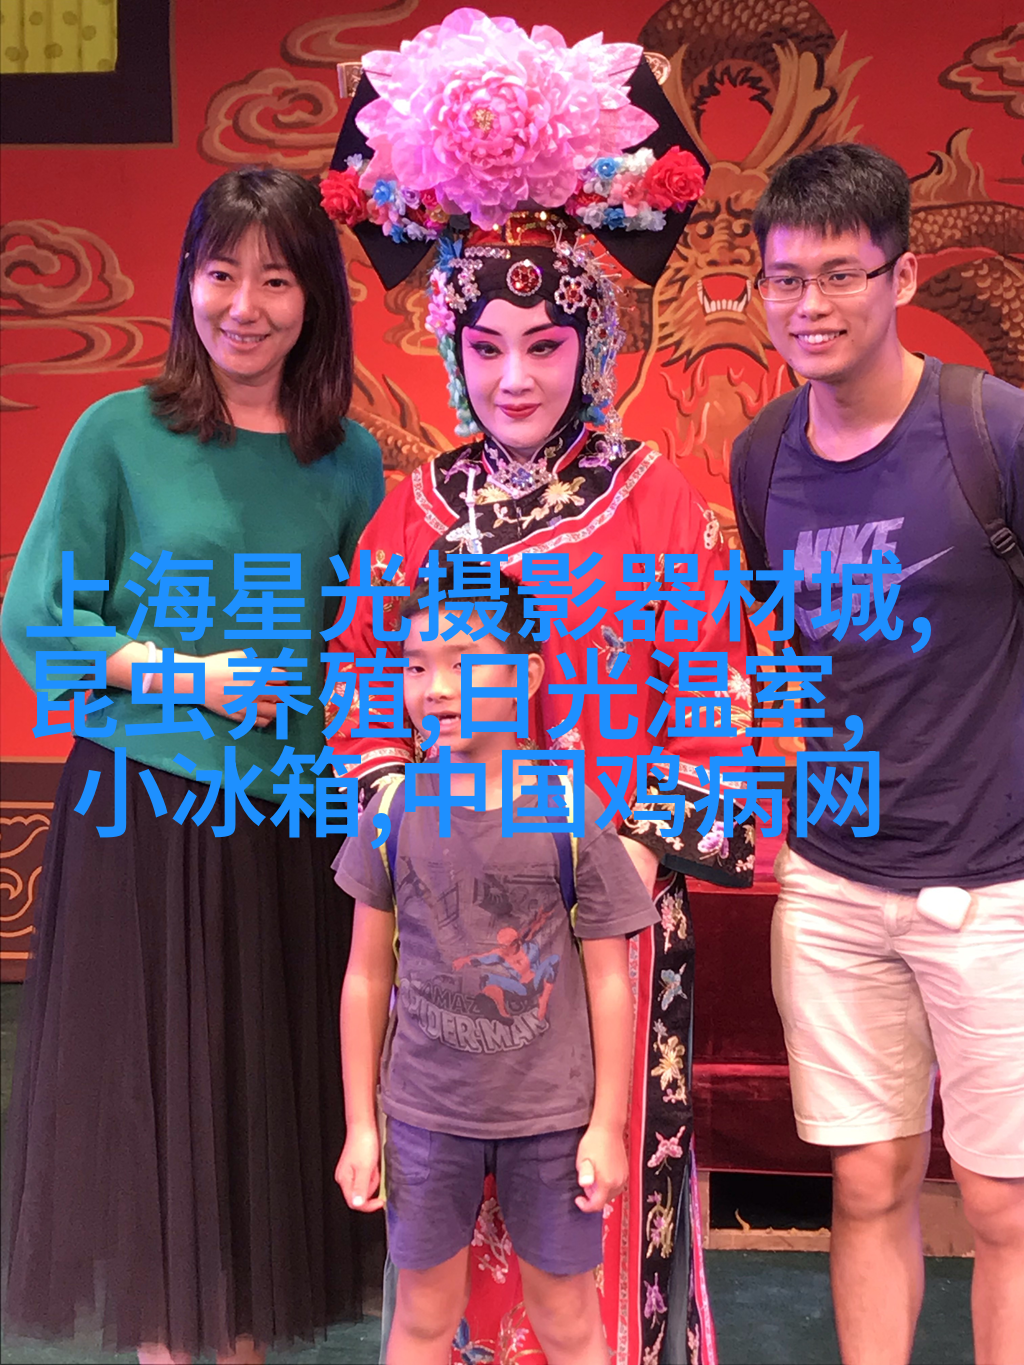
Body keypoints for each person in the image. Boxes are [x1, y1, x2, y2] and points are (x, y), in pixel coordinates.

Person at [317, 12, 755, 1362]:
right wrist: (402, 807)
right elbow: (358, 684)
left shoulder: (659, 500)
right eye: (488, 345)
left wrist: (629, 846)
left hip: (604, 917)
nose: (514, 378)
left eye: (546, 346)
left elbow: (721, 702)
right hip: (454, 919)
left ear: (593, 345)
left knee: (587, 1219)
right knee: (444, 1257)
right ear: (451, 347)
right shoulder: (414, 508)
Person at [1, 167, 384, 1364]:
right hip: (149, 817)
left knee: (263, 1123)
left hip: (295, 827)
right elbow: (35, 617)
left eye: (276, 280)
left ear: (315, 300)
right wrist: (184, 677)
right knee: (164, 1122)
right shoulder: (120, 433)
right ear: (186, 283)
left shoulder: (351, 460)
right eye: (222, 273)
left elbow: (368, 648)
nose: (244, 306)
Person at [730, 143, 1024, 1365]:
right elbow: (788, 642)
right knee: (866, 1184)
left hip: (997, 883)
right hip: (834, 881)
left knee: (1004, 1206)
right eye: (785, 279)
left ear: (898, 277)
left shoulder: (992, 431)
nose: (810, 306)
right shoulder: (762, 453)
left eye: (840, 275)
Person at [334, 569, 660, 1364]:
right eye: (416, 665)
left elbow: (610, 979)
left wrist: (607, 1125)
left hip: (550, 1119)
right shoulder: (391, 812)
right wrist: (361, 1125)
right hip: (423, 1115)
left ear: (528, 674)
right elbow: (365, 976)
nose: (436, 688)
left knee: (568, 1319)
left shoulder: (572, 812)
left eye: (464, 662)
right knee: (422, 1315)